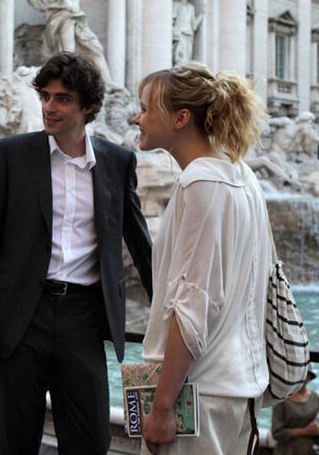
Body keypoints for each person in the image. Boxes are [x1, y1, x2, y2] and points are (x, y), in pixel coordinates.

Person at [0, 52, 153, 455]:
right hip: (19, 319)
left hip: (84, 319)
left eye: (63, 99)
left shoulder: (117, 161)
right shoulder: (11, 154)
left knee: (90, 441)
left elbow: (139, 243)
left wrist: (168, 311)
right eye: (46, 97)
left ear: (88, 107)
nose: (49, 107)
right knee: (17, 442)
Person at [132, 63, 270, 454]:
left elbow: (193, 307)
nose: (136, 117)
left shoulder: (202, 182)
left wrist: (161, 406)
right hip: (236, 386)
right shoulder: (241, 174)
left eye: (146, 108)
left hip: (196, 393)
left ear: (180, 118)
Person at [27, 0, 115, 86]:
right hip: (65, 14)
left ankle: (108, 82)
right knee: (68, 52)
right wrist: (69, 5)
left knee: (96, 48)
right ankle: (67, 83)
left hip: (76, 16)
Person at [271, 368, 319, 455]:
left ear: (310, 376)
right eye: (299, 373)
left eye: (305, 374)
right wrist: (305, 431)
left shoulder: (315, 398)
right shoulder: (282, 400)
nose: (302, 377)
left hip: (312, 450)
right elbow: (277, 433)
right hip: (288, 451)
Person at [171, 0, 203, 67]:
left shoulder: (191, 7)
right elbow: (172, 18)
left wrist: (202, 14)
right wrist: (173, 30)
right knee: (179, 56)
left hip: (188, 34)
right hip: (179, 32)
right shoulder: (176, 4)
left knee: (187, 58)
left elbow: (194, 24)